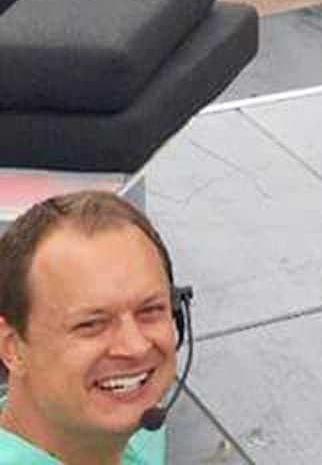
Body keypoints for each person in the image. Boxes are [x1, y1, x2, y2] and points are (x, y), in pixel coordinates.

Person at [0, 192, 185, 465]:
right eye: (91, 324)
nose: (136, 347)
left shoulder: (133, 424)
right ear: (11, 347)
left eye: (150, 310)